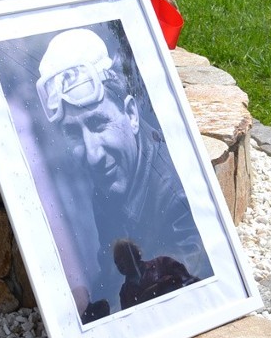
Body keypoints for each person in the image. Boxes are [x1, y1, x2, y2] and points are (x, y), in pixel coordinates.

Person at [36, 26, 211, 319]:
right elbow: (111, 270)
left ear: (131, 114)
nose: (92, 153)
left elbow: (181, 293)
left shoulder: (178, 194)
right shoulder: (110, 178)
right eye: (73, 133)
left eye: (98, 124)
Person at [112, 238, 200, 311]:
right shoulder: (124, 292)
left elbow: (191, 284)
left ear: (133, 253)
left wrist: (157, 288)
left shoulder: (162, 263)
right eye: (116, 262)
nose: (119, 264)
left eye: (121, 258)